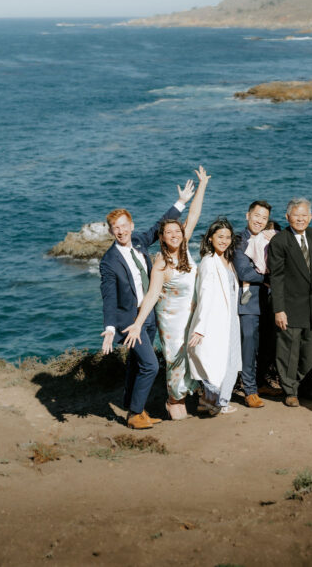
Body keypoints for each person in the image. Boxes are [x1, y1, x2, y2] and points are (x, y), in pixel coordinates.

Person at [99, 183, 191, 429]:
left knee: (136, 364)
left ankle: (132, 404)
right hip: (131, 322)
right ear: (111, 231)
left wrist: (180, 202)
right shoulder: (109, 261)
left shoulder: (139, 241)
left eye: (124, 226)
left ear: (131, 226)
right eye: (115, 228)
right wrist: (110, 327)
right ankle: (135, 414)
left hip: (148, 315)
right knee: (150, 365)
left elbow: (159, 226)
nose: (121, 231)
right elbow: (108, 296)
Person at [121, 166, 210, 421]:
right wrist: (138, 323)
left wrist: (202, 185)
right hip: (171, 320)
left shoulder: (183, 250)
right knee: (175, 358)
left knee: (193, 353)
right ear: (162, 237)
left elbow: (193, 216)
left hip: (191, 314)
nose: (174, 235)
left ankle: (191, 393)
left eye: (177, 231)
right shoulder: (161, 262)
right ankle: (174, 399)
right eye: (168, 232)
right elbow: (151, 296)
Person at [268, 198, 312, 407]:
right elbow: (277, 277)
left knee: (309, 352)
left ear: (310, 217)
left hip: (311, 306)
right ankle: (290, 390)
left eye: (304, 215)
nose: (300, 219)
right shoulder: (279, 241)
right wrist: (279, 309)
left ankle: (303, 385)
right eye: (296, 215)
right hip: (289, 305)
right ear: (287, 217)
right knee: (288, 351)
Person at [187, 217, 242, 416]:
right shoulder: (209, 262)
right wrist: (200, 327)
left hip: (230, 319)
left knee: (230, 360)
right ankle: (215, 401)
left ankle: (216, 401)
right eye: (220, 236)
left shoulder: (226, 260)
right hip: (215, 321)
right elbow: (204, 295)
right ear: (210, 238)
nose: (224, 240)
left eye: (227, 237)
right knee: (215, 361)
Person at [232, 200, 279, 408]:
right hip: (248, 300)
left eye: (264, 218)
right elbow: (244, 272)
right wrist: (270, 276)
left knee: (268, 343)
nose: (259, 221)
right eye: (257, 216)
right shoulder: (238, 240)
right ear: (247, 215)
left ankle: (259, 382)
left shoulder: (270, 238)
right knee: (249, 343)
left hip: (269, 299)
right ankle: (249, 389)